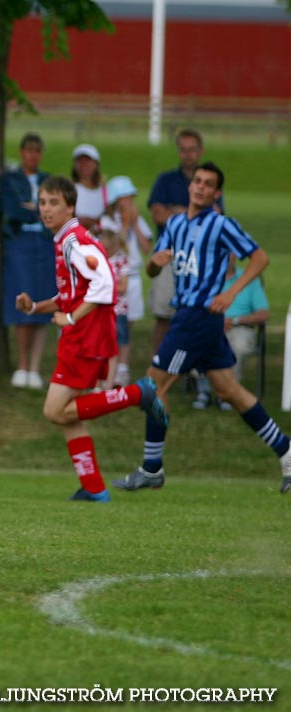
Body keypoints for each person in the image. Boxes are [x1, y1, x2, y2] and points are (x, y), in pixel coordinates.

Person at [114, 161, 286, 494]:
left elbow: (260, 258)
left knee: (153, 387)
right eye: (198, 181)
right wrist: (153, 262)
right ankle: (287, 452)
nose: (201, 187)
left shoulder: (221, 225)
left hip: (197, 317)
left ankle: (151, 468)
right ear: (190, 185)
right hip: (190, 317)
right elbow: (152, 269)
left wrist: (230, 292)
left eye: (209, 184)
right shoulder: (175, 224)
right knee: (230, 391)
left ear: (216, 193)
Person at [14, 175, 171, 502]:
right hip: (84, 334)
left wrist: (71, 318)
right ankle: (94, 487)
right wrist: (36, 307)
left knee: (54, 411)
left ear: (70, 206)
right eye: (43, 202)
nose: (46, 209)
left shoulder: (75, 241)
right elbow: (72, 292)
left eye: (54, 203)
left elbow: (105, 282)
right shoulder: (65, 239)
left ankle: (134, 394)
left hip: (84, 336)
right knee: (68, 413)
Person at [146, 129, 214, 352]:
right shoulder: (166, 181)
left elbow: (216, 216)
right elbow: (158, 214)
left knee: (194, 317)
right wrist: (191, 215)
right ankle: (158, 367)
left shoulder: (210, 182)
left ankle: (191, 370)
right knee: (164, 315)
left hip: (199, 258)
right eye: (183, 150)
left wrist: (176, 213)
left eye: (192, 149)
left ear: (200, 151)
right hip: (170, 255)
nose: (188, 154)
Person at [1, 132, 52, 389]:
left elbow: (54, 211)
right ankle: (22, 364)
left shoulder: (48, 180)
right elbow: (12, 210)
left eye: (37, 150)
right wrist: (35, 212)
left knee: (43, 302)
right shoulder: (10, 180)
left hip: (44, 244)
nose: (32, 155)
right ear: (22, 153)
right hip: (19, 242)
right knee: (23, 300)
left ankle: (35, 367)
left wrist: (35, 210)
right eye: (28, 150)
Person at [98, 175, 152, 389]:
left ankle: (123, 367)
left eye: (131, 196)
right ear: (115, 199)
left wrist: (135, 224)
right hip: (113, 280)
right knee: (113, 326)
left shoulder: (137, 218)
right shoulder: (106, 221)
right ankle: (109, 368)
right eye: (125, 196)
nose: (130, 200)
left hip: (133, 277)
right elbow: (115, 245)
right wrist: (127, 223)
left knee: (126, 326)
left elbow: (147, 248)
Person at [207, 264, 270, 409]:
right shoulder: (207, 278)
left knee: (238, 346)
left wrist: (235, 320)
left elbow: (264, 314)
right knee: (197, 342)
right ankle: (204, 390)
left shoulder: (249, 279)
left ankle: (228, 392)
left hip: (240, 326)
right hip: (211, 324)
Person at [69, 143, 106, 230]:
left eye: (88, 160)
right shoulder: (69, 189)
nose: (83, 164)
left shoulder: (105, 191)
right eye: (80, 161)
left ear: (96, 164)